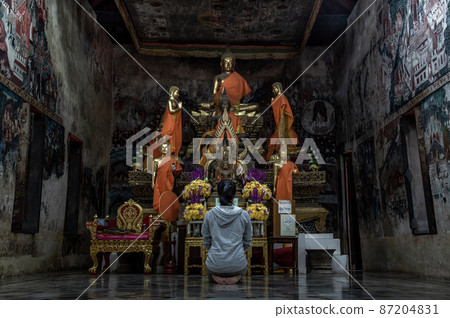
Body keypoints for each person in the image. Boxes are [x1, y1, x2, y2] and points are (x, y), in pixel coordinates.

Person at [202, 180, 252, 285]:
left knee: (210, 268)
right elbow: (247, 241)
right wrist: (238, 252)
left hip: (214, 264)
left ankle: (216, 276)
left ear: (218, 194)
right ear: (234, 195)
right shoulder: (244, 214)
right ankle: (236, 276)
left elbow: (206, 241)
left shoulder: (209, 215)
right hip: (238, 265)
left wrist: (214, 251)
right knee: (242, 269)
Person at [266, 82, 299, 161]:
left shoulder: (281, 97)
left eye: (274, 89)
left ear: (278, 88)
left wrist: (273, 102)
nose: (273, 91)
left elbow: (282, 109)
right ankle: (279, 152)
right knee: (279, 136)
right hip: (279, 120)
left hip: (282, 120)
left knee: (281, 136)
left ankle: (283, 154)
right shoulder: (279, 97)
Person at [160, 86, 183, 156]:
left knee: (174, 137)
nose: (178, 95)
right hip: (170, 121)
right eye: (177, 93)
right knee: (169, 136)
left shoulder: (175, 101)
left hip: (174, 121)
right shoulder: (170, 101)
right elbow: (171, 111)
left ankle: (173, 152)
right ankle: (169, 152)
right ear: (173, 92)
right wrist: (179, 108)